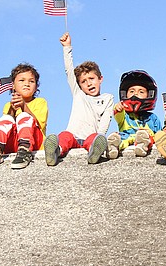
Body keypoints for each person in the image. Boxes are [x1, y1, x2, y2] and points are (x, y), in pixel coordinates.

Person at [44, 32, 114, 166]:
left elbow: (106, 119)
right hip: (74, 137)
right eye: (84, 81)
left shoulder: (107, 98)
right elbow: (69, 71)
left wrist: (100, 135)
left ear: (100, 79)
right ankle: (55, 152)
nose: (88, 83)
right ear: (79, 85)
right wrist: (67, 47)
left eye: (92, 79)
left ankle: (94, 152)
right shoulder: (79, 94)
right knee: (64, 135)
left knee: (95, 138)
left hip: (90, 138)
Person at [0, 63, 47, 170]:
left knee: (24, 116)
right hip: (13, 144)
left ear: (36, 86)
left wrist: (24, 106)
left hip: (34, 143)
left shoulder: (40, 102)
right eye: (21, 80)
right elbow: (7, 127)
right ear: (13, 85)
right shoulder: (8, 105)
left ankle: (24, 151)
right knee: (5, 118)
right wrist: (12, 110)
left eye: (31, 81)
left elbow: (38, 124)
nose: (26, 84)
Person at [107, 70, 162, 159]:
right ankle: (113, 147)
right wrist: (118, 108)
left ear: (150, 94)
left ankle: (142, 146)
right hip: (126, 136)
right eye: (131, 91)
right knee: (118, 136)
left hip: (145, 137)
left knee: (146, 136)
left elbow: (159, 134)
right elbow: (117, 114)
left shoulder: (152, 117)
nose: (135, 94)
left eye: (141, 92)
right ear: (125, 94)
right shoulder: (124, 115)